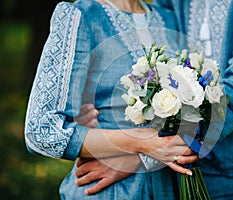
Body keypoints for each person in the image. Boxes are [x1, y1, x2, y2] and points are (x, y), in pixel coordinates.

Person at [75, 0, 233, 199]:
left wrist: (140, 159)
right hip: (193, 180)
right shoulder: (171, 4)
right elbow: (156, 77)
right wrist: (91, 107)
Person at [24, 0, 199, 199]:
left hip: (171, 188)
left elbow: (198, 112)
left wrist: (142, 158)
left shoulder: (168, 18)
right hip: (109, 191)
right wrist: (142, 142)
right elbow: (41, 131)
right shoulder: (80, 15)